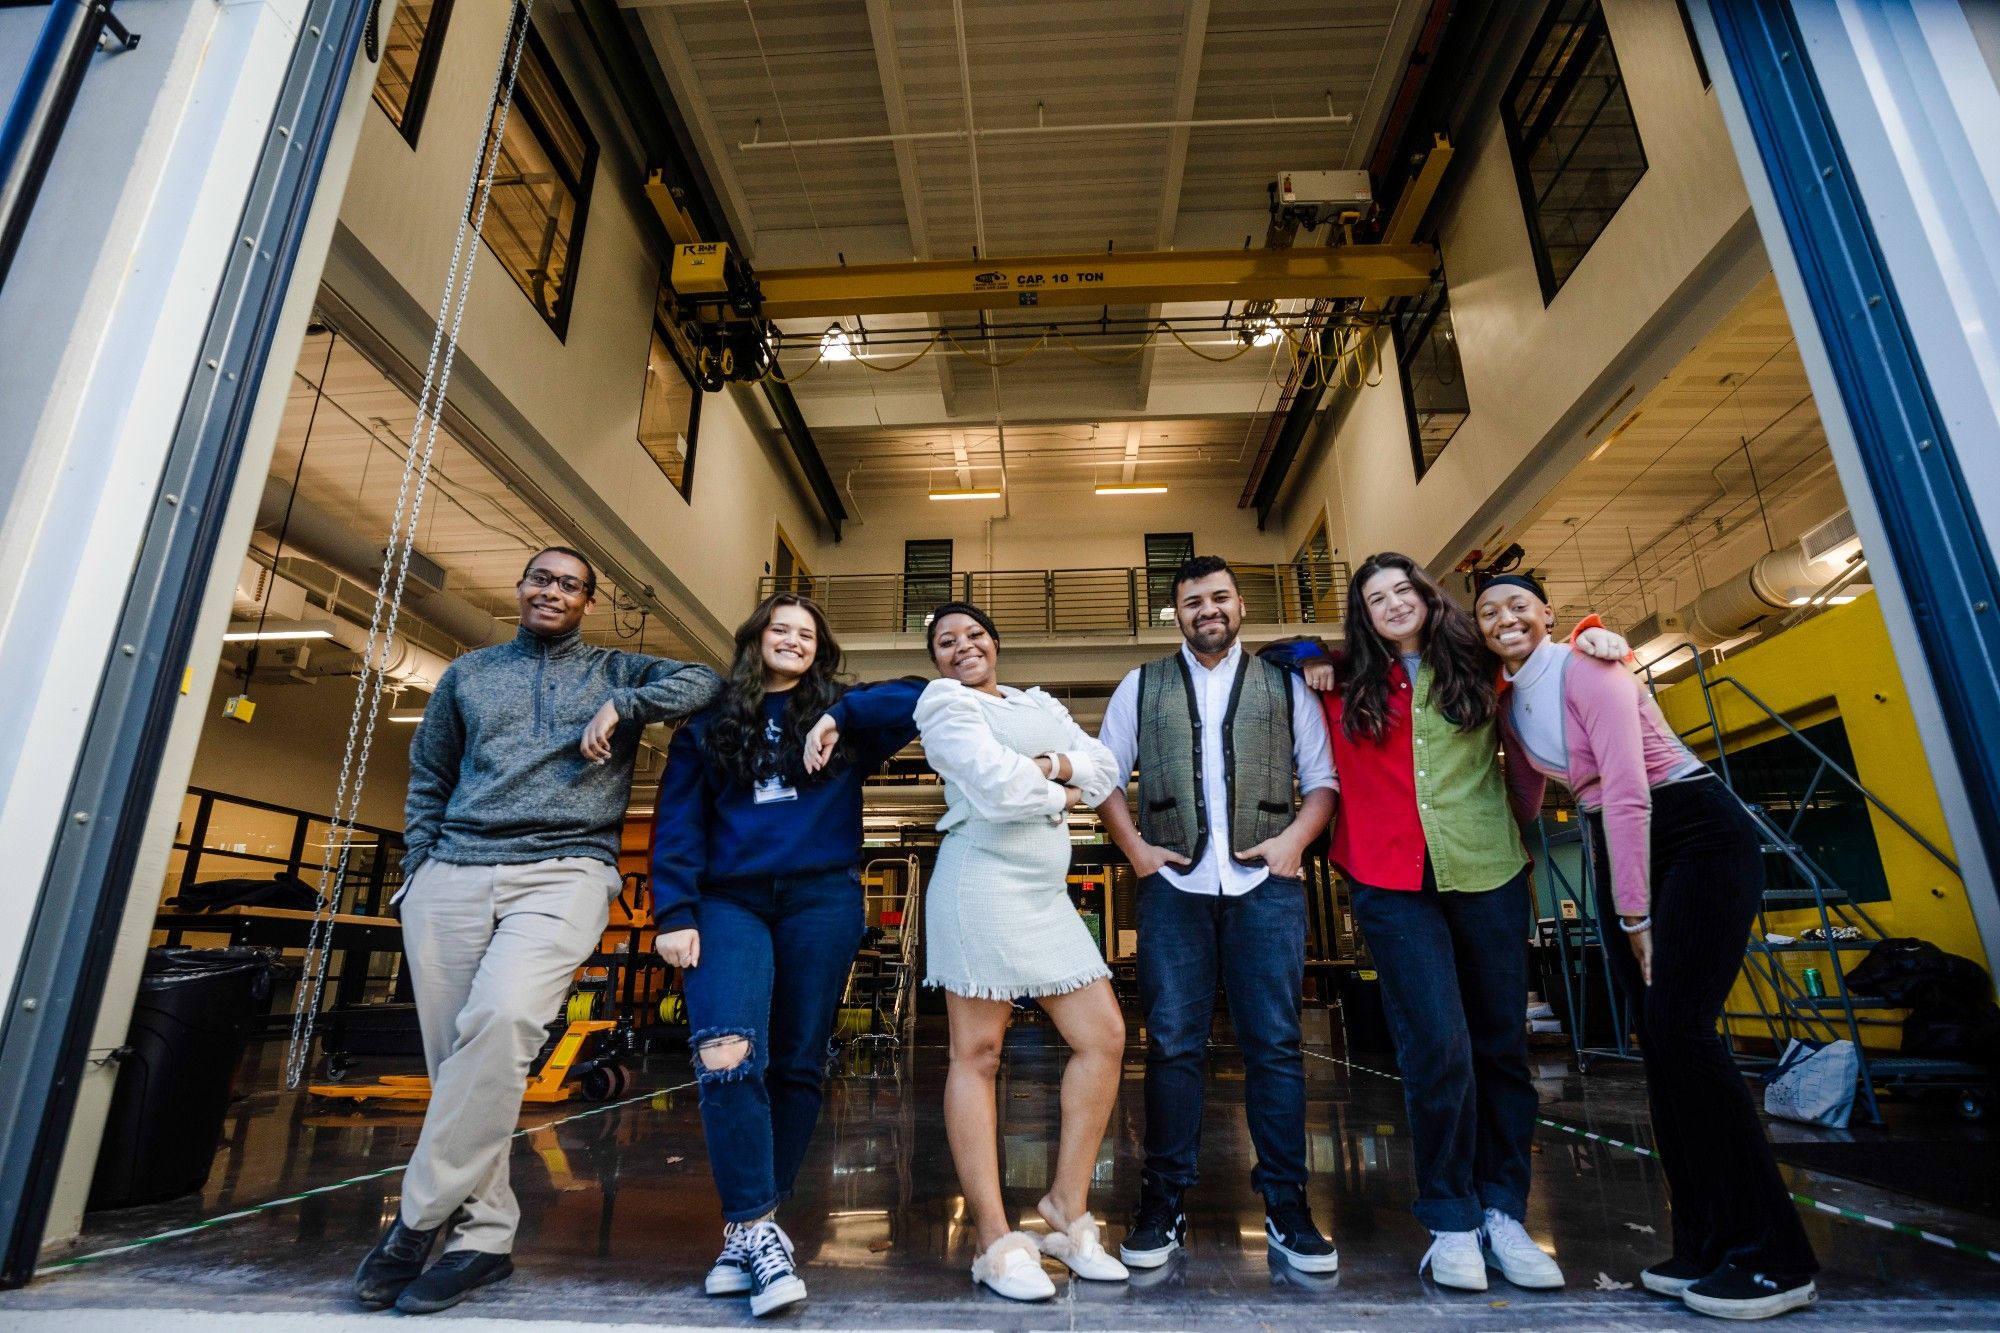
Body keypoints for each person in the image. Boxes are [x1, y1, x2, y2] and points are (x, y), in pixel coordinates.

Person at [353, 546, 721, 1315]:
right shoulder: (469, 675)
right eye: (542, 579)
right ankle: (483, 1235)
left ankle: (414, 1220)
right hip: (452, 869)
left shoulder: (617, 670)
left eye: (571, 585)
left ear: (589, 601)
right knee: (459, 1059)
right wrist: (420, 865)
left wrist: (628, 706)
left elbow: (707, 679)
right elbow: (430, 773)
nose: (553, 591)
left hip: (566, 869)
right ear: (519, 589)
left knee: (504, 1019)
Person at [1262, 553, 1625, 1292]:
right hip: (1391, 883)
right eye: (1375, 598)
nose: (1392, 603)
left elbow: (1537, 649)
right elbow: (1272, 653)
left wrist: (1593, 633)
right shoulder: (1344, 682)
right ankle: (1452, 1218)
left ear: (1428, 597)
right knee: (1437, 1046)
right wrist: (1306, 652)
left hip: (1487, 868)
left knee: (1501, 1047)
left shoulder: (1477, 665)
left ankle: (1505, 1211)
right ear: (1362, 616)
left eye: (1403, 590)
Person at [1475, 573, 1820, 1321]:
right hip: (1616, 840)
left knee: (1684, 1031)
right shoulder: (1510, 704)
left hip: (1691, 828)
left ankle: (1775, 1256)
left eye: (1517, 605)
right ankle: (1704, 1240)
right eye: (1488, 611)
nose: (1503, 618)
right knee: (1657, 1044)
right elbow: (1525, 799)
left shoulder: (1590, 666)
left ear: (1547, 615)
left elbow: (1630, 789)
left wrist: (1634, 917)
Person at [647, 592, 922, 1318]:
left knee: (799, 1061)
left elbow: (924, 696)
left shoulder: (846, 721)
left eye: (807, 633)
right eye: (781, 628)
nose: (794, 640)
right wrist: (673, 909)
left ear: (818, 647)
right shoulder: (707, 723)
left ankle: (748, 1233)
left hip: (822, 898)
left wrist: (841, 713)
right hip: (728, 899)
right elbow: (677, 820)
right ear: (755, 637)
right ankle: (756, 1227)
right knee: (727, 1051)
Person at [1096, 555, 1338, 1274]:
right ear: (1175, 611)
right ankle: (1161, 1201)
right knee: (1171, 1043)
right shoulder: (1141, 684)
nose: (1208, 608)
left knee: (1276, 1044)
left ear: (1241, 605)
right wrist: (1135, 848)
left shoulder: (1285, 683)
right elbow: (1105, 775)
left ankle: (1288, 1207)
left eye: (1220, 596)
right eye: (1193, 599)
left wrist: (1295, 841)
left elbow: (1321, 779)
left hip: (1267, 884)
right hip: (1174, 886)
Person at [915, 601, 1132, 1301]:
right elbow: (995, 790)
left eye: (974, 634)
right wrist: (1058, 781)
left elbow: (1104, 771)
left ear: (995, 642)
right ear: (937, 658)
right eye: (946, 641)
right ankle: (992, 1238)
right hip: (979, 880)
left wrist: (1050, 765)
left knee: (1104, 1037)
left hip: (1046, 894)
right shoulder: (942, 702)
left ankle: (1068, 1210)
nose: (962, 646)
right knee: (977, 1055)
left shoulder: (1035, 701)